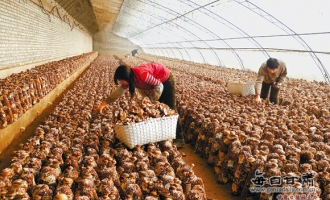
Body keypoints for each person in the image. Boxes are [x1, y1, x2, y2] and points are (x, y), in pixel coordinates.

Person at [95, 63, 185, 147]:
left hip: (166, 79)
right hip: (158, 84)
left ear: (127, 77)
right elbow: (118, 92)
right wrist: (104, 104)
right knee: (160, 110)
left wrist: (152, 101)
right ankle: (162, 136)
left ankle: (179, 139)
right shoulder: (131, 79)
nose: (121, 83)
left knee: (171, 108)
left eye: (121, 81)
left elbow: (159, 86)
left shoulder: (142, 75)